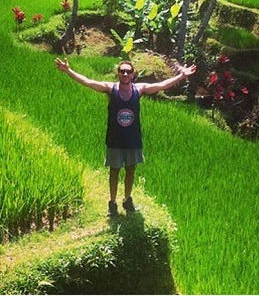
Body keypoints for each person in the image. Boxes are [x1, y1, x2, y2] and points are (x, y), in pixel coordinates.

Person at [54, 56, 197, 217]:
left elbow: (161, 85)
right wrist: (68, 70)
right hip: (115, 139)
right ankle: (112, 203)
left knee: (131, 169)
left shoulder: (139, 89)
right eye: (122, 71)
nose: (125, 74)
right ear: (118, 73)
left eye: (128, 71)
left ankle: (127, 199)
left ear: (133, 74)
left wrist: (182, 75)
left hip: (133, 139)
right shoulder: (110, 88)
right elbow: (87, 81)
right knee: (114, 170)